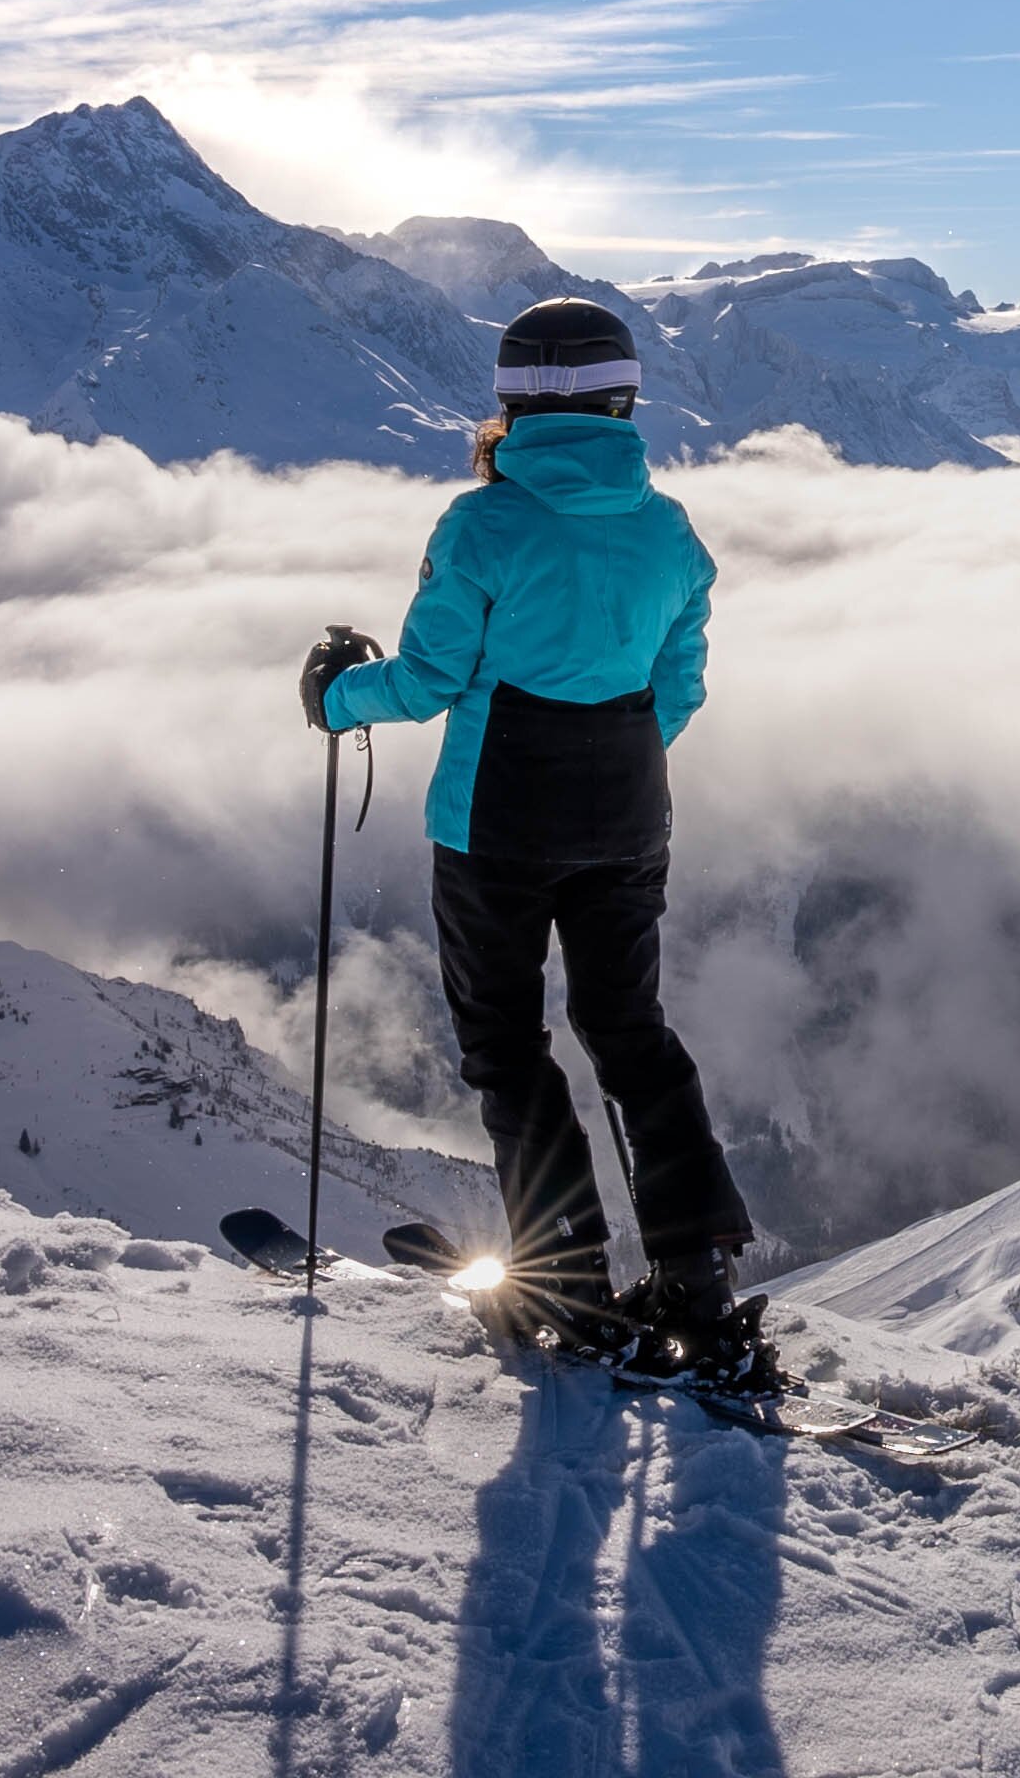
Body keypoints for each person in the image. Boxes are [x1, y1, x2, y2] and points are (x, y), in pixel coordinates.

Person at [297, 296, 756, 1367]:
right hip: (630, 813)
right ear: (624, 396)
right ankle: (695, 1273)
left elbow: (424, 683)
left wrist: (332, 698)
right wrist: (612, 754)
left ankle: (571, 1284)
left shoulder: (482, 525)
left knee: (510, 1051)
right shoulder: (669, 530)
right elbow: (676, 690)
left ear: (509, 400)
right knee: (630, 1034)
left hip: (496, 824)